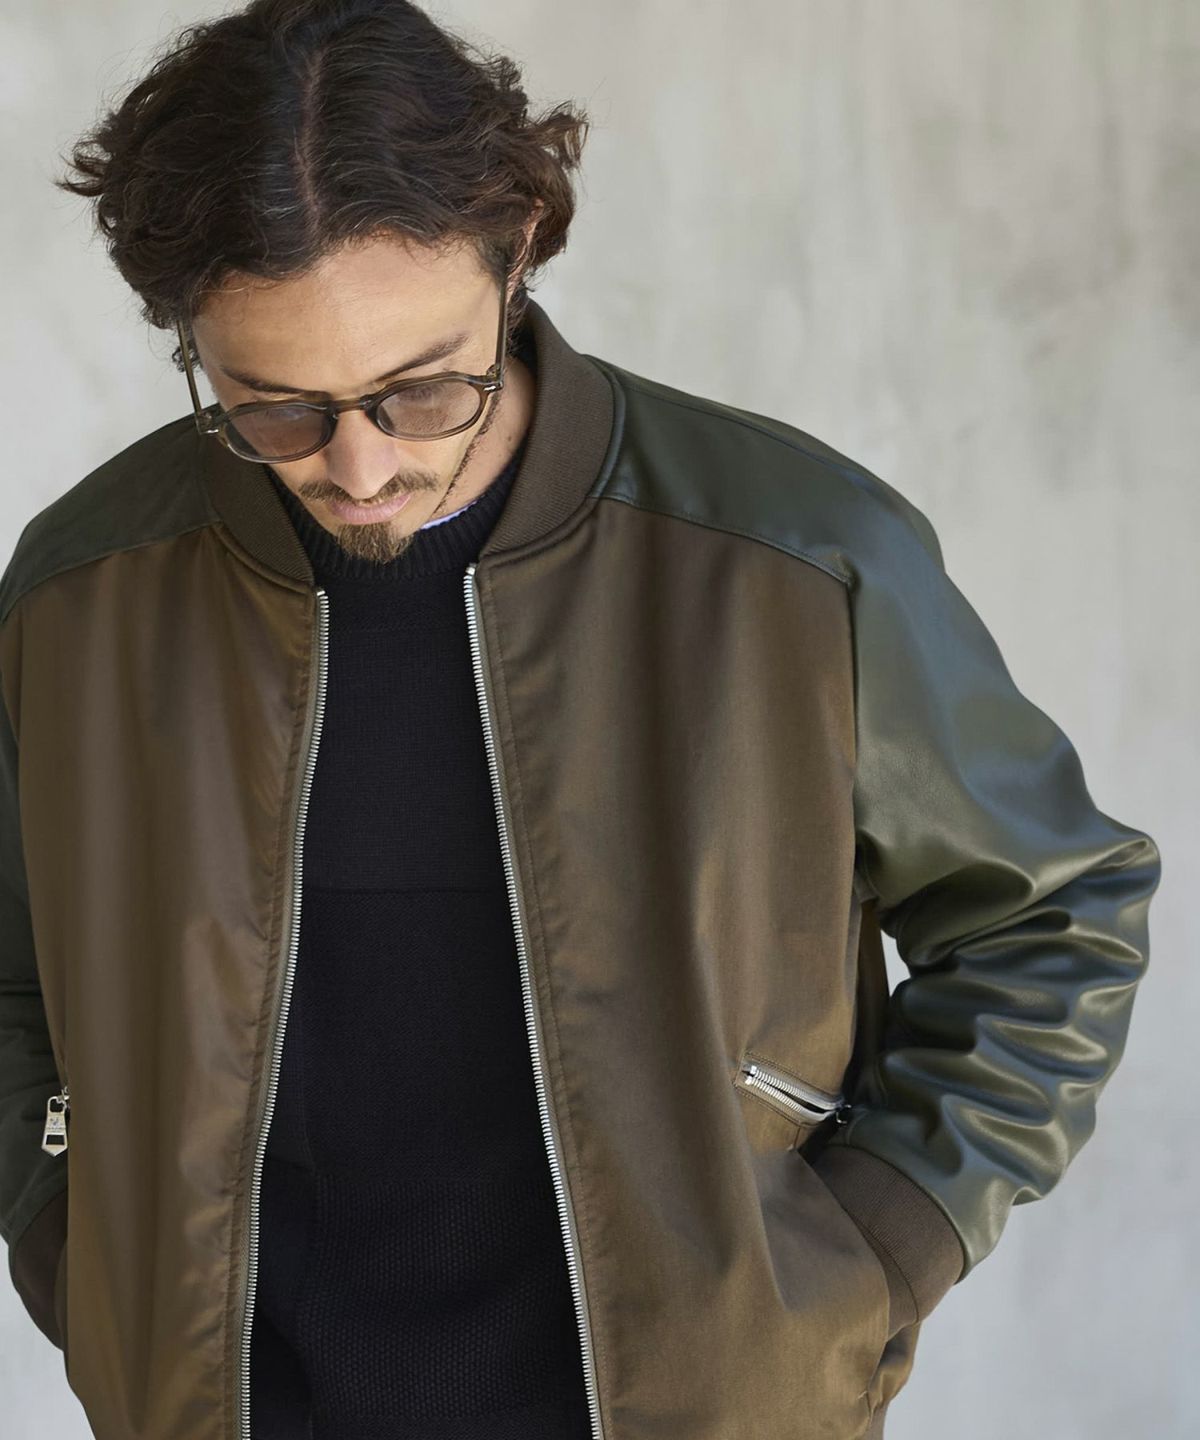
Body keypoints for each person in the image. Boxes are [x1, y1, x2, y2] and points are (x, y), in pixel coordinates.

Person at [0, 2, 1161, 1439]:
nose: (359, 467)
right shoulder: (86, 592)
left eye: (424, 388)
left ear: (518, 254)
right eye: (274, 408)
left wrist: (869, 1257)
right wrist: (72, 1250)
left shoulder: (793, 558)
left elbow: (1052, 915)